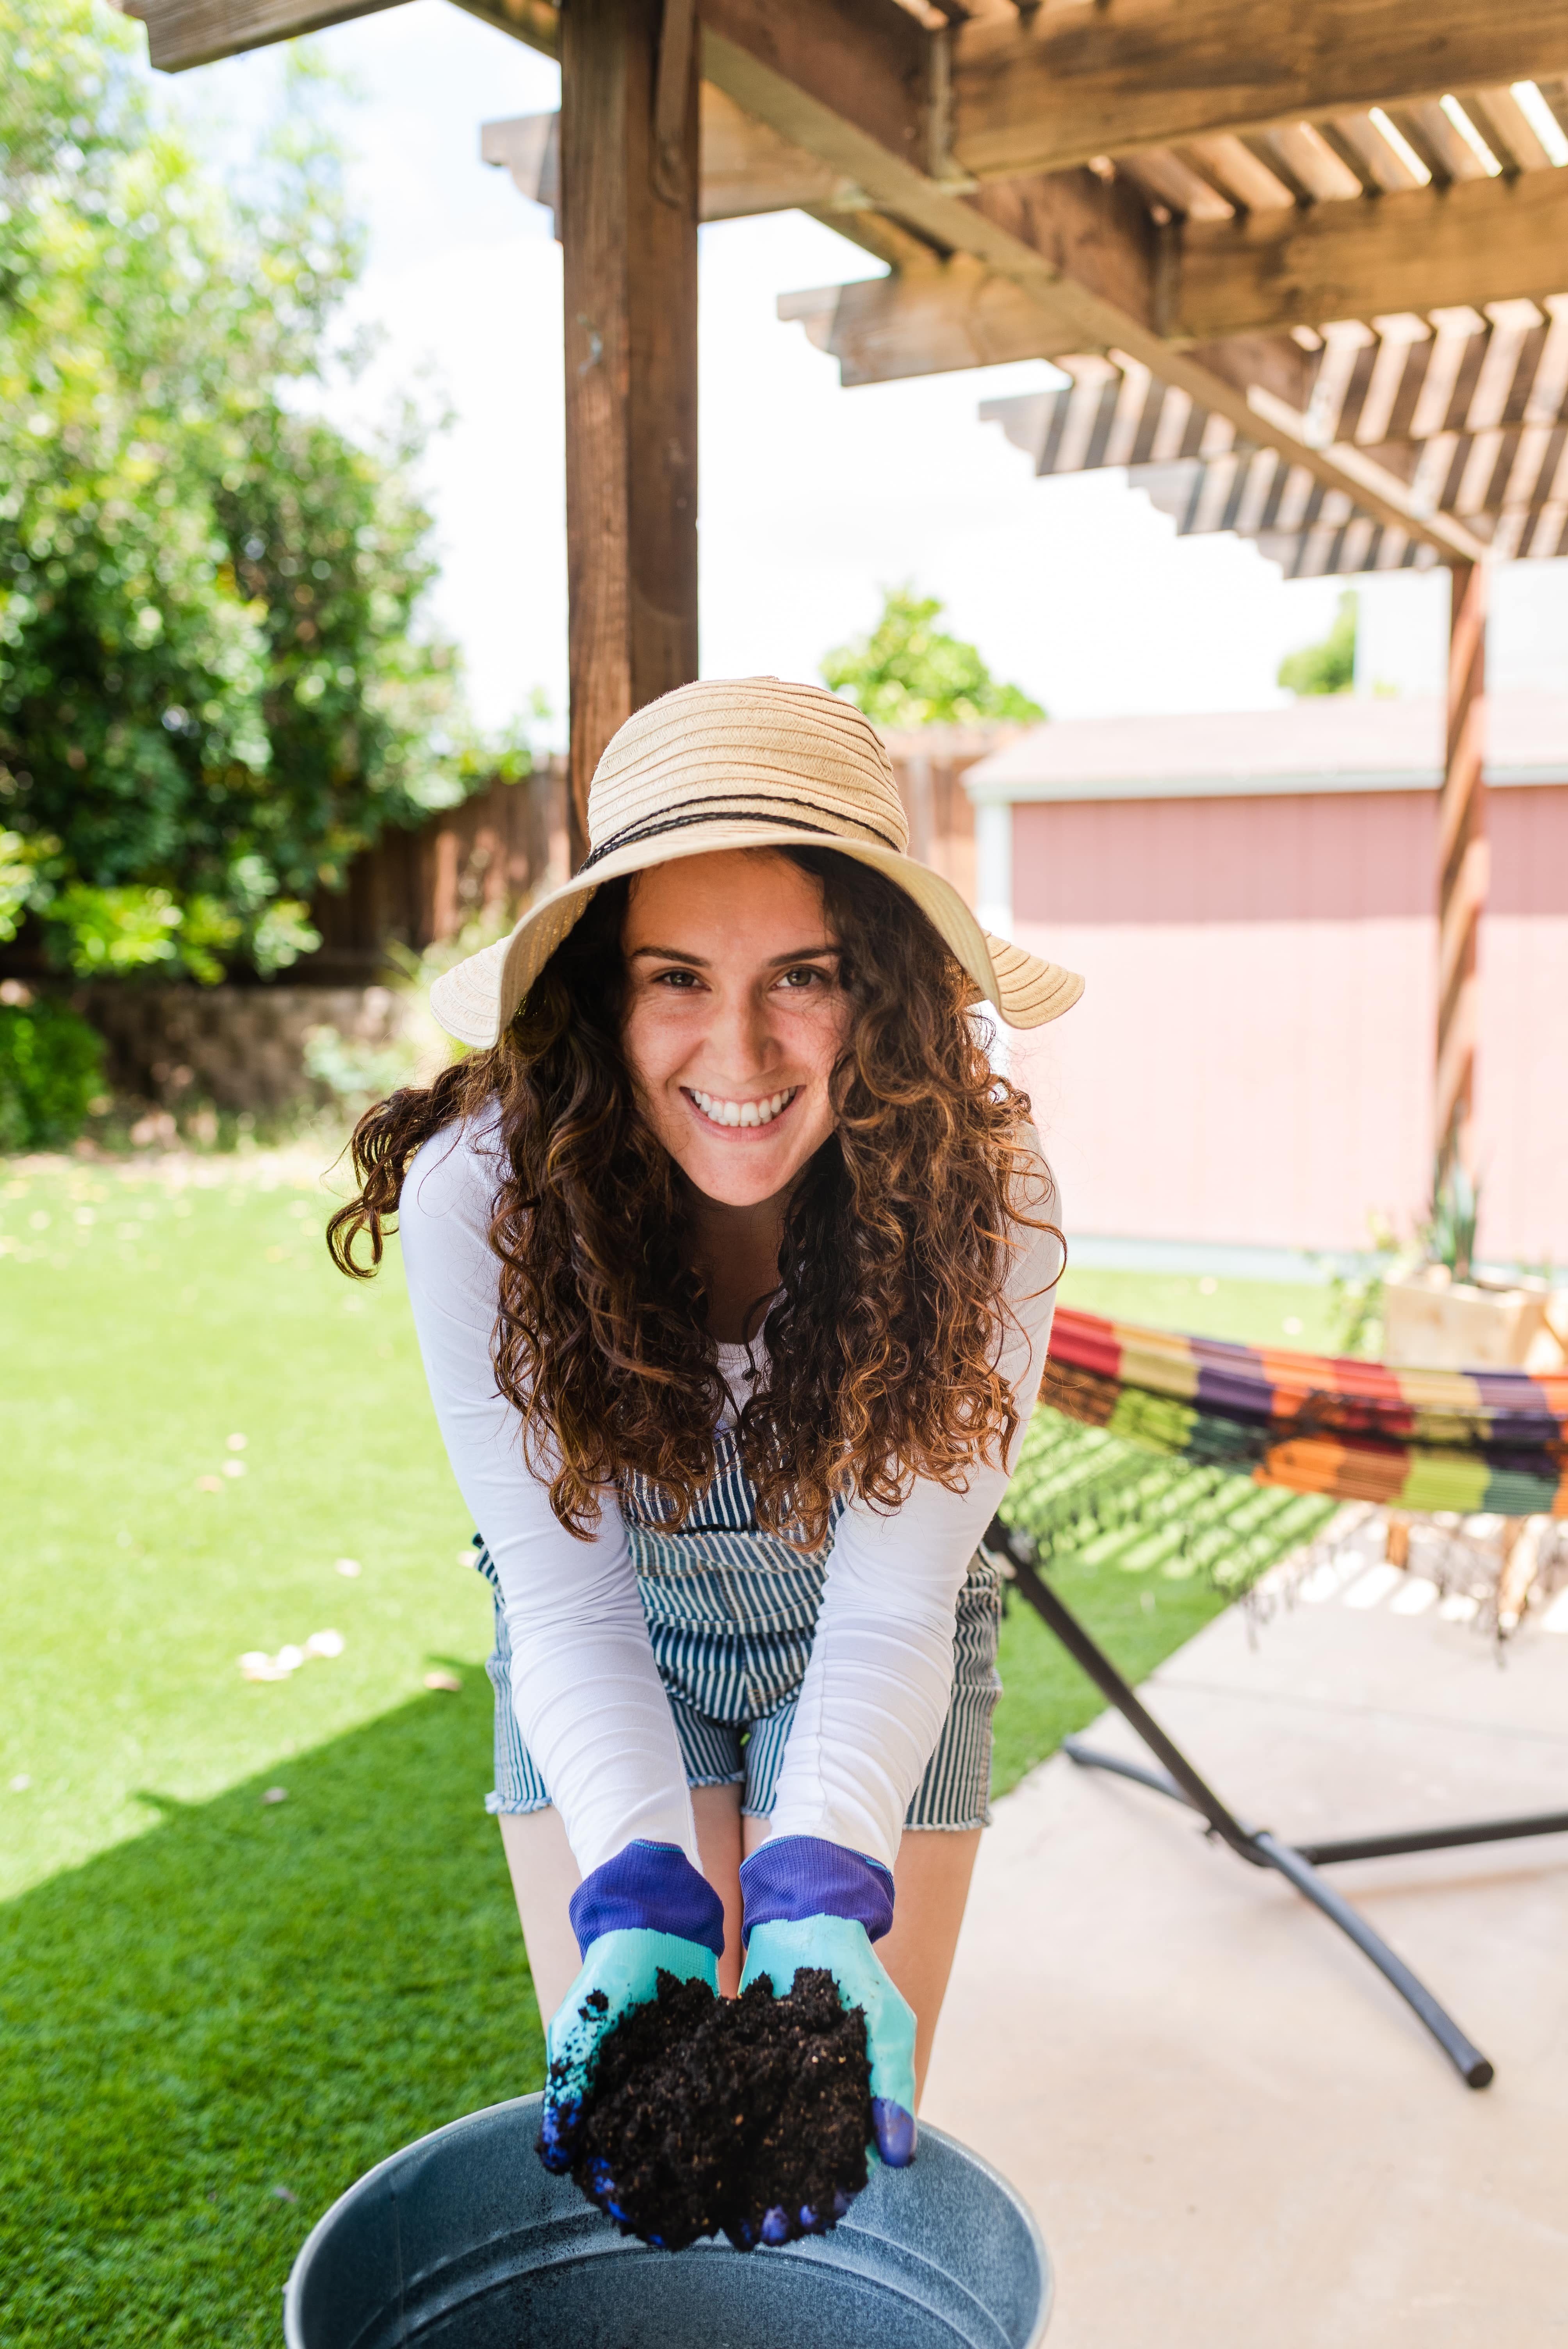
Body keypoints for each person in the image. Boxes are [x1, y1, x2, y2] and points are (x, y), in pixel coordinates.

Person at [329, 677, 1080, 2239]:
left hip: (883, 1634)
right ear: (596, 995)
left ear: (885, 990)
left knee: (817, 2143)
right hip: (613, 1639)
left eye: (803, 975)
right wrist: (638, 1888)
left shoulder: (987, 1199)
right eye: (675, 976)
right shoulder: (487, 1195)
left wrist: (818, 1886)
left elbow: (892, 1607)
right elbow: (566, 1602)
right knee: (652, 2121)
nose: (738, 1047)